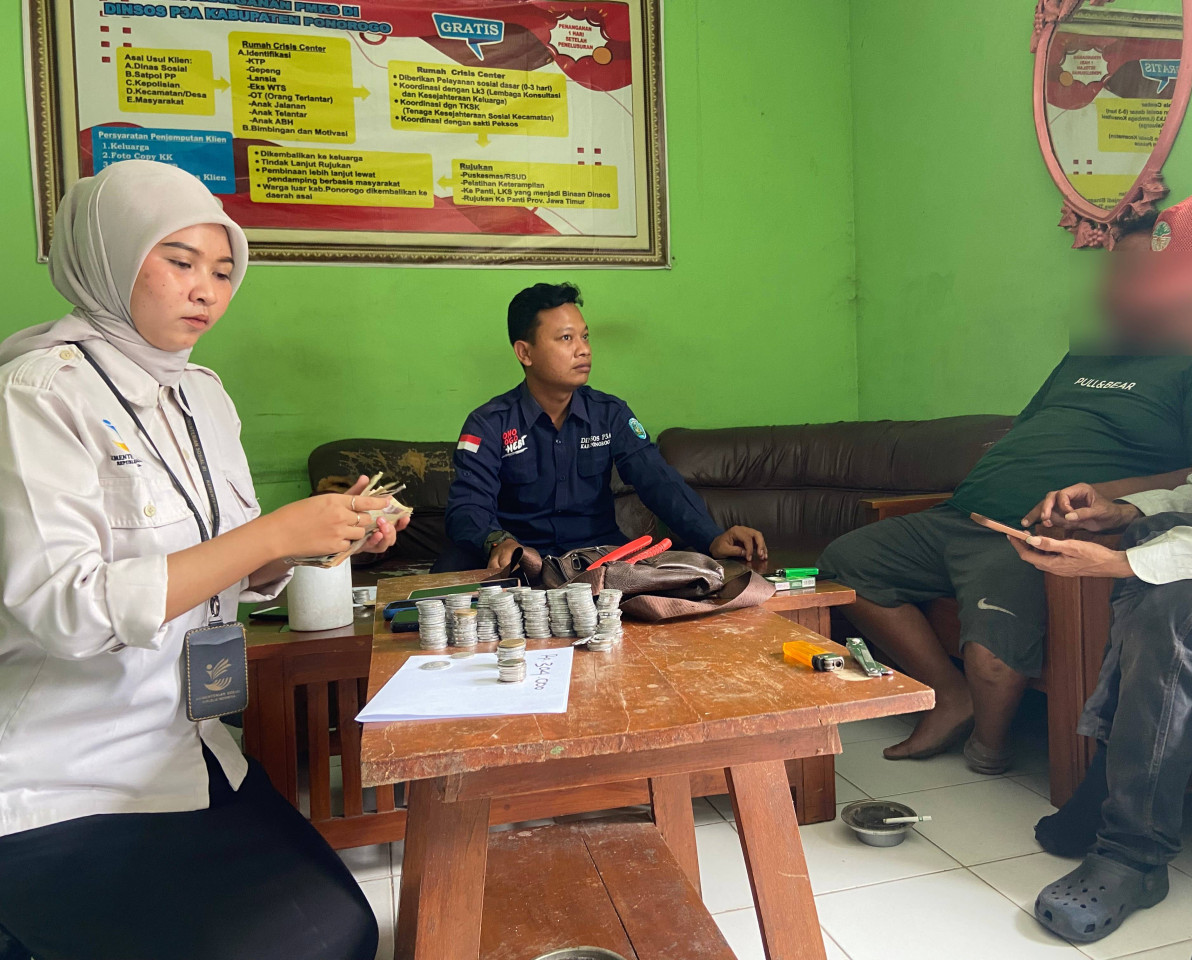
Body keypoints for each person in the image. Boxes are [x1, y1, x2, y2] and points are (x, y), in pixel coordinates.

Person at [0, 161, 408, 960]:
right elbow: (69, 609)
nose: (207, 292)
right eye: (179, 262)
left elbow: (237, 562)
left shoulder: (203, 395)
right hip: (59, 771)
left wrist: (326, 537)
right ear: (109, 257)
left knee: (344, 931)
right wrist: (274, 534)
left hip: (187, 742)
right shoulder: (37, 395)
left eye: (224, 271)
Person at [818, 220, 1192, 775]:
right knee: (844, 565)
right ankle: (948, 697)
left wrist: (1105, 497)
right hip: (959, 514)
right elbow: (1027, 428)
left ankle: (988, 746)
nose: (1114, 284)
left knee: (994, 661)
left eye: (1137, 271)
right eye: (1114, 269)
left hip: (1032, 535)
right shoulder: (1087, 356)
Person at [1011, 184, 1192, 947]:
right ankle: (1131, 847)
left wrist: (1128, 563)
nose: (1176, 324)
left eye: (1190, 305)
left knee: (1158, 585)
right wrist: (1128, 515)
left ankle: (1116, 816)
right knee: (1169, 599)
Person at [438, 282, 767, 572]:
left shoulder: (609, 414)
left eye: (584, 336)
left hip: (599, 559)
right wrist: (498, 541)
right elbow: (468, 505)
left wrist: (712, 537)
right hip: (523, 559)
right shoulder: (489, 423)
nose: (583, 349)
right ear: (525, 353)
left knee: (688, 574)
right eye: (566, 338)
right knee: (448, 570)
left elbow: (658, 481)